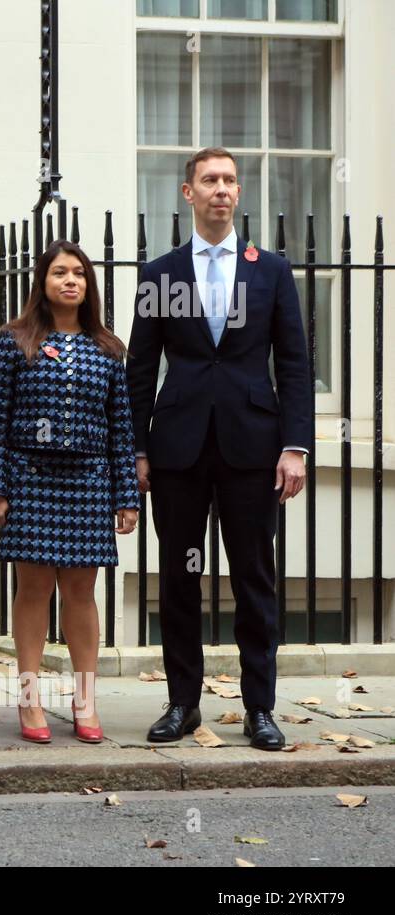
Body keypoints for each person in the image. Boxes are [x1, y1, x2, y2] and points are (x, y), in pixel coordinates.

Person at [128, 147, 309, 751]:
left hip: (255, 448)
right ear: (188, 194)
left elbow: (294, 363)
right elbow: (139, 367)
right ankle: (183, 704)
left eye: (230, 180)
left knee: (254, 578)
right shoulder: (160, 274)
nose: (222, 190)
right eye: (209, 180)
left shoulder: (272, 271)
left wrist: (296, 446)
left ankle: (260, 708)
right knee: (179, 579)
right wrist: (136, 449)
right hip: (177, 448)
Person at [0, 240, 138, 744]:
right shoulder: (14, 341)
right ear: (43, 283)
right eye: (59, 273)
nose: (70, 281)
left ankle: (85, 698)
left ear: (88, 286)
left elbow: (121, 428)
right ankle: (29, 698)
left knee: (80, 592)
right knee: (32, 590)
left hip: (89, 483)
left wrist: (126, 496)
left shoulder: (109, 348)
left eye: (78, 274)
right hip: (29, 480)